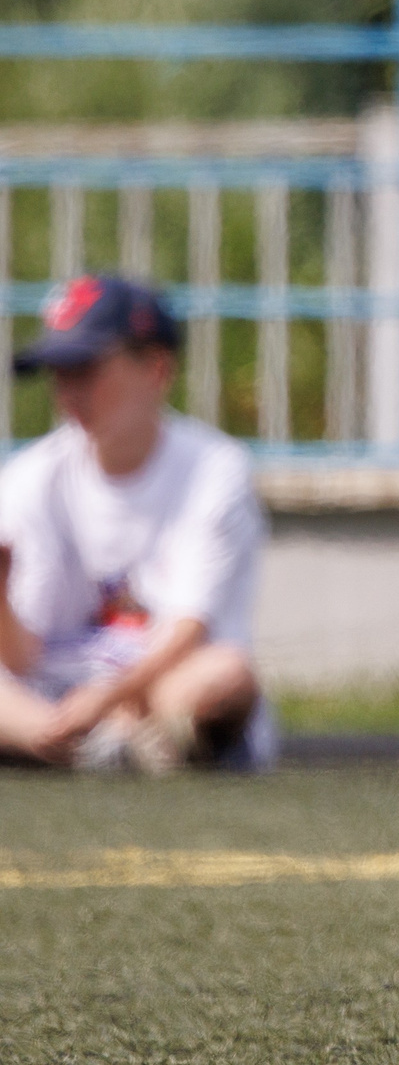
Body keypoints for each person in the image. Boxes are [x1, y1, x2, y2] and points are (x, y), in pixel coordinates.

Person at [0, 275, 267, 773]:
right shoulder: (29, 478)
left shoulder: (214, 469)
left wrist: (108, 698)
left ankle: (89, 744)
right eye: (59, 374)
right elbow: (22, 658)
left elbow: (189, 628)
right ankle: (95, 746)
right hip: (59, 692)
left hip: (160, 683)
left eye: (85, 369)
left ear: (157, 369)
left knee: (224, 677)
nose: (68, 393)